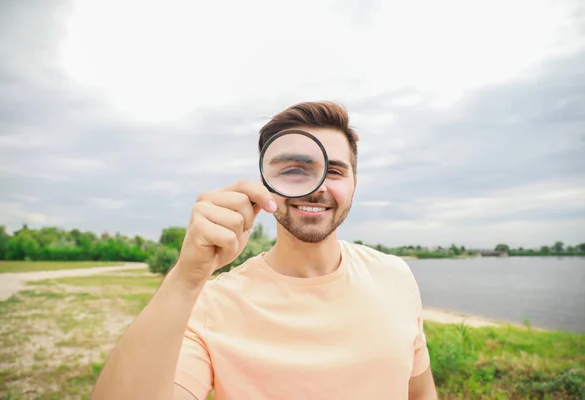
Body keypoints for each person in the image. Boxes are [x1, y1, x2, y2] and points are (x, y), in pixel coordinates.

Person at [90, 101, 437, 400]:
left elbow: (420, 392)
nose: (315, 189)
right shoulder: (213, 304)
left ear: (354, 184)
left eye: (333, 171)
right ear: (266, 182)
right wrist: (185, 278)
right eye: (293, 170)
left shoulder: (395, 276)